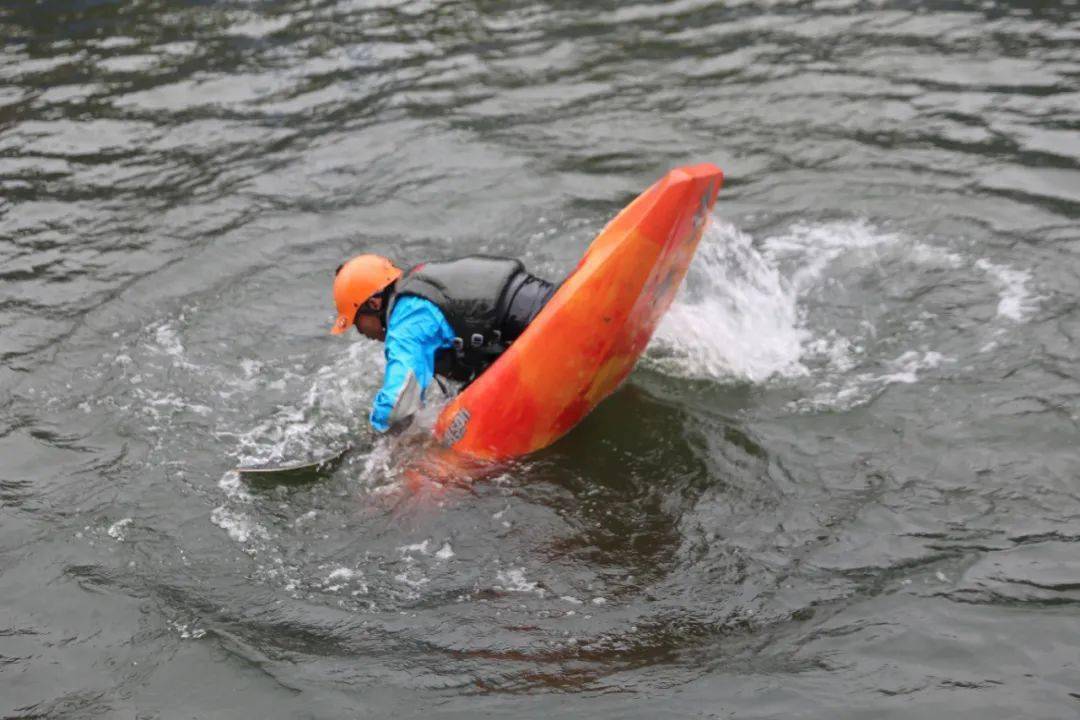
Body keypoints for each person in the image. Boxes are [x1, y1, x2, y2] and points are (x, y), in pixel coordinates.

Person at [330, 254, 557, 433]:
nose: (360, 332)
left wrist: (375, 438)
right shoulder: (419, 284)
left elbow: (397, 402)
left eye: (357, 321)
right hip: (541, 300)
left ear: (374, 303)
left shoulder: (406, 320)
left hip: (534, 322)